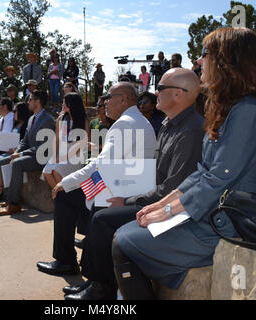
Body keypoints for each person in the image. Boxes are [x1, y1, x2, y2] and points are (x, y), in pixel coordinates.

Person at [111, 27, 256, 300]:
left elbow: (217, 180)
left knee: (124, 240)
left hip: (220, 222)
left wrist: (166, 210)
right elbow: (202, 172)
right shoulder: (233, 108)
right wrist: (159, 205)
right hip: (208, 213)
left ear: (229, 61)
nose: (200, 61)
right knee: (125, 235)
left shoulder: (248, 111)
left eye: (206, 54)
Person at [64, 68, 205, 300]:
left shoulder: (189, 130)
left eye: (161, 88)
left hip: (172, 206)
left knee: (102, 219)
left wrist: (128, 199)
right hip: (154, 193)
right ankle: (96, 283)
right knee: (102, 205)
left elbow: (174, 187)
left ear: (179, 94)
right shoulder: (171, 124)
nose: (153, 93)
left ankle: (102, 288)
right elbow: (154, 174)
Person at [36, 82, 157, 278]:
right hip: (125, 183)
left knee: (64, 194)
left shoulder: (125, 123)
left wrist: (65, 182)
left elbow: (100, 165)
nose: (105, 102)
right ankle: (77, 258)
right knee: (77, 194)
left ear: (124, 99)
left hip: (120, 188)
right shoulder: (138, 120)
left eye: (109, 97)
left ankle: (66, 261)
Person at [0, 90, 55, 215]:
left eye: (30, 99)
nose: (28, 102)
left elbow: (42, 147)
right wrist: (17, 151)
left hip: (42, 157)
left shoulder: (47, 120)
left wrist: (20, 154)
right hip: (31, 154)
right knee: (2, 161)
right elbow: (25, 141)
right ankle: (13, 197)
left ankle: (14, 205)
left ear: (37, 101)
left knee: (17, 163)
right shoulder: (31, 118)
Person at [43, 93, 89, 190]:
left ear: (72, 104)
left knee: (56, 171)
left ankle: (64, 198)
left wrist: (63, 158)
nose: (62, 104)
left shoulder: (83, 121)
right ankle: (60, 197)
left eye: (65, 102)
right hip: (61, 153)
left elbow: (80, 147)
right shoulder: (61, 118)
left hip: (76, 156)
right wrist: (55, 155)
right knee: (46, 172)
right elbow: (57, 139)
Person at [0, 102, 32, 202]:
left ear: (21, 112)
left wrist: (15, 150)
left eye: (15, 111)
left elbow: (25, 143)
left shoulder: (25, 125)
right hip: (10, 150)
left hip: (17, 152)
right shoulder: (16, 124)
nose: (13, 113)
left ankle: (1, 190)